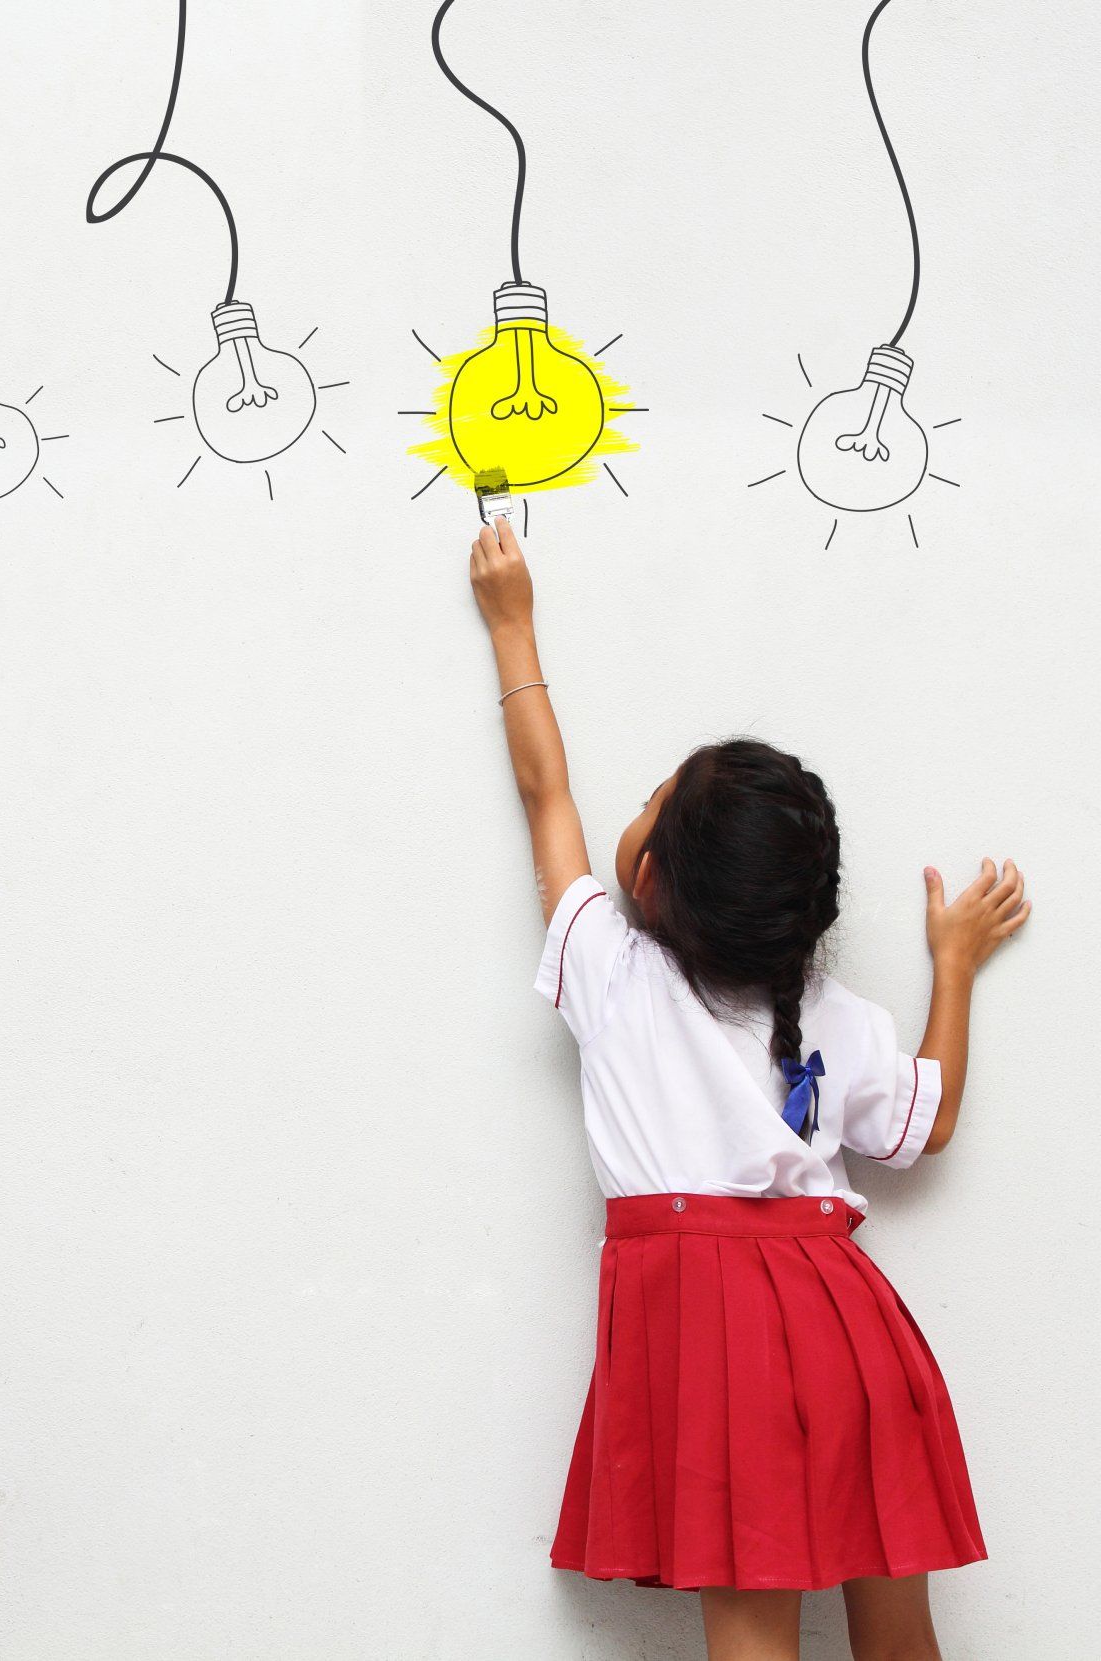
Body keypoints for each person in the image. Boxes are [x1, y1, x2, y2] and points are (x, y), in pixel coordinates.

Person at [467, 516, 1030, 1660]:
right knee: (898, 1636)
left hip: (718, 1345)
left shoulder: (610, 973)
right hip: (851, 1329)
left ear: (652, 876)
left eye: (650, 802)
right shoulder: (824, 1009)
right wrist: (955, 967)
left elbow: (545, 792)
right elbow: (928, 1120)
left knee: (753, 1636)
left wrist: (513, 626)